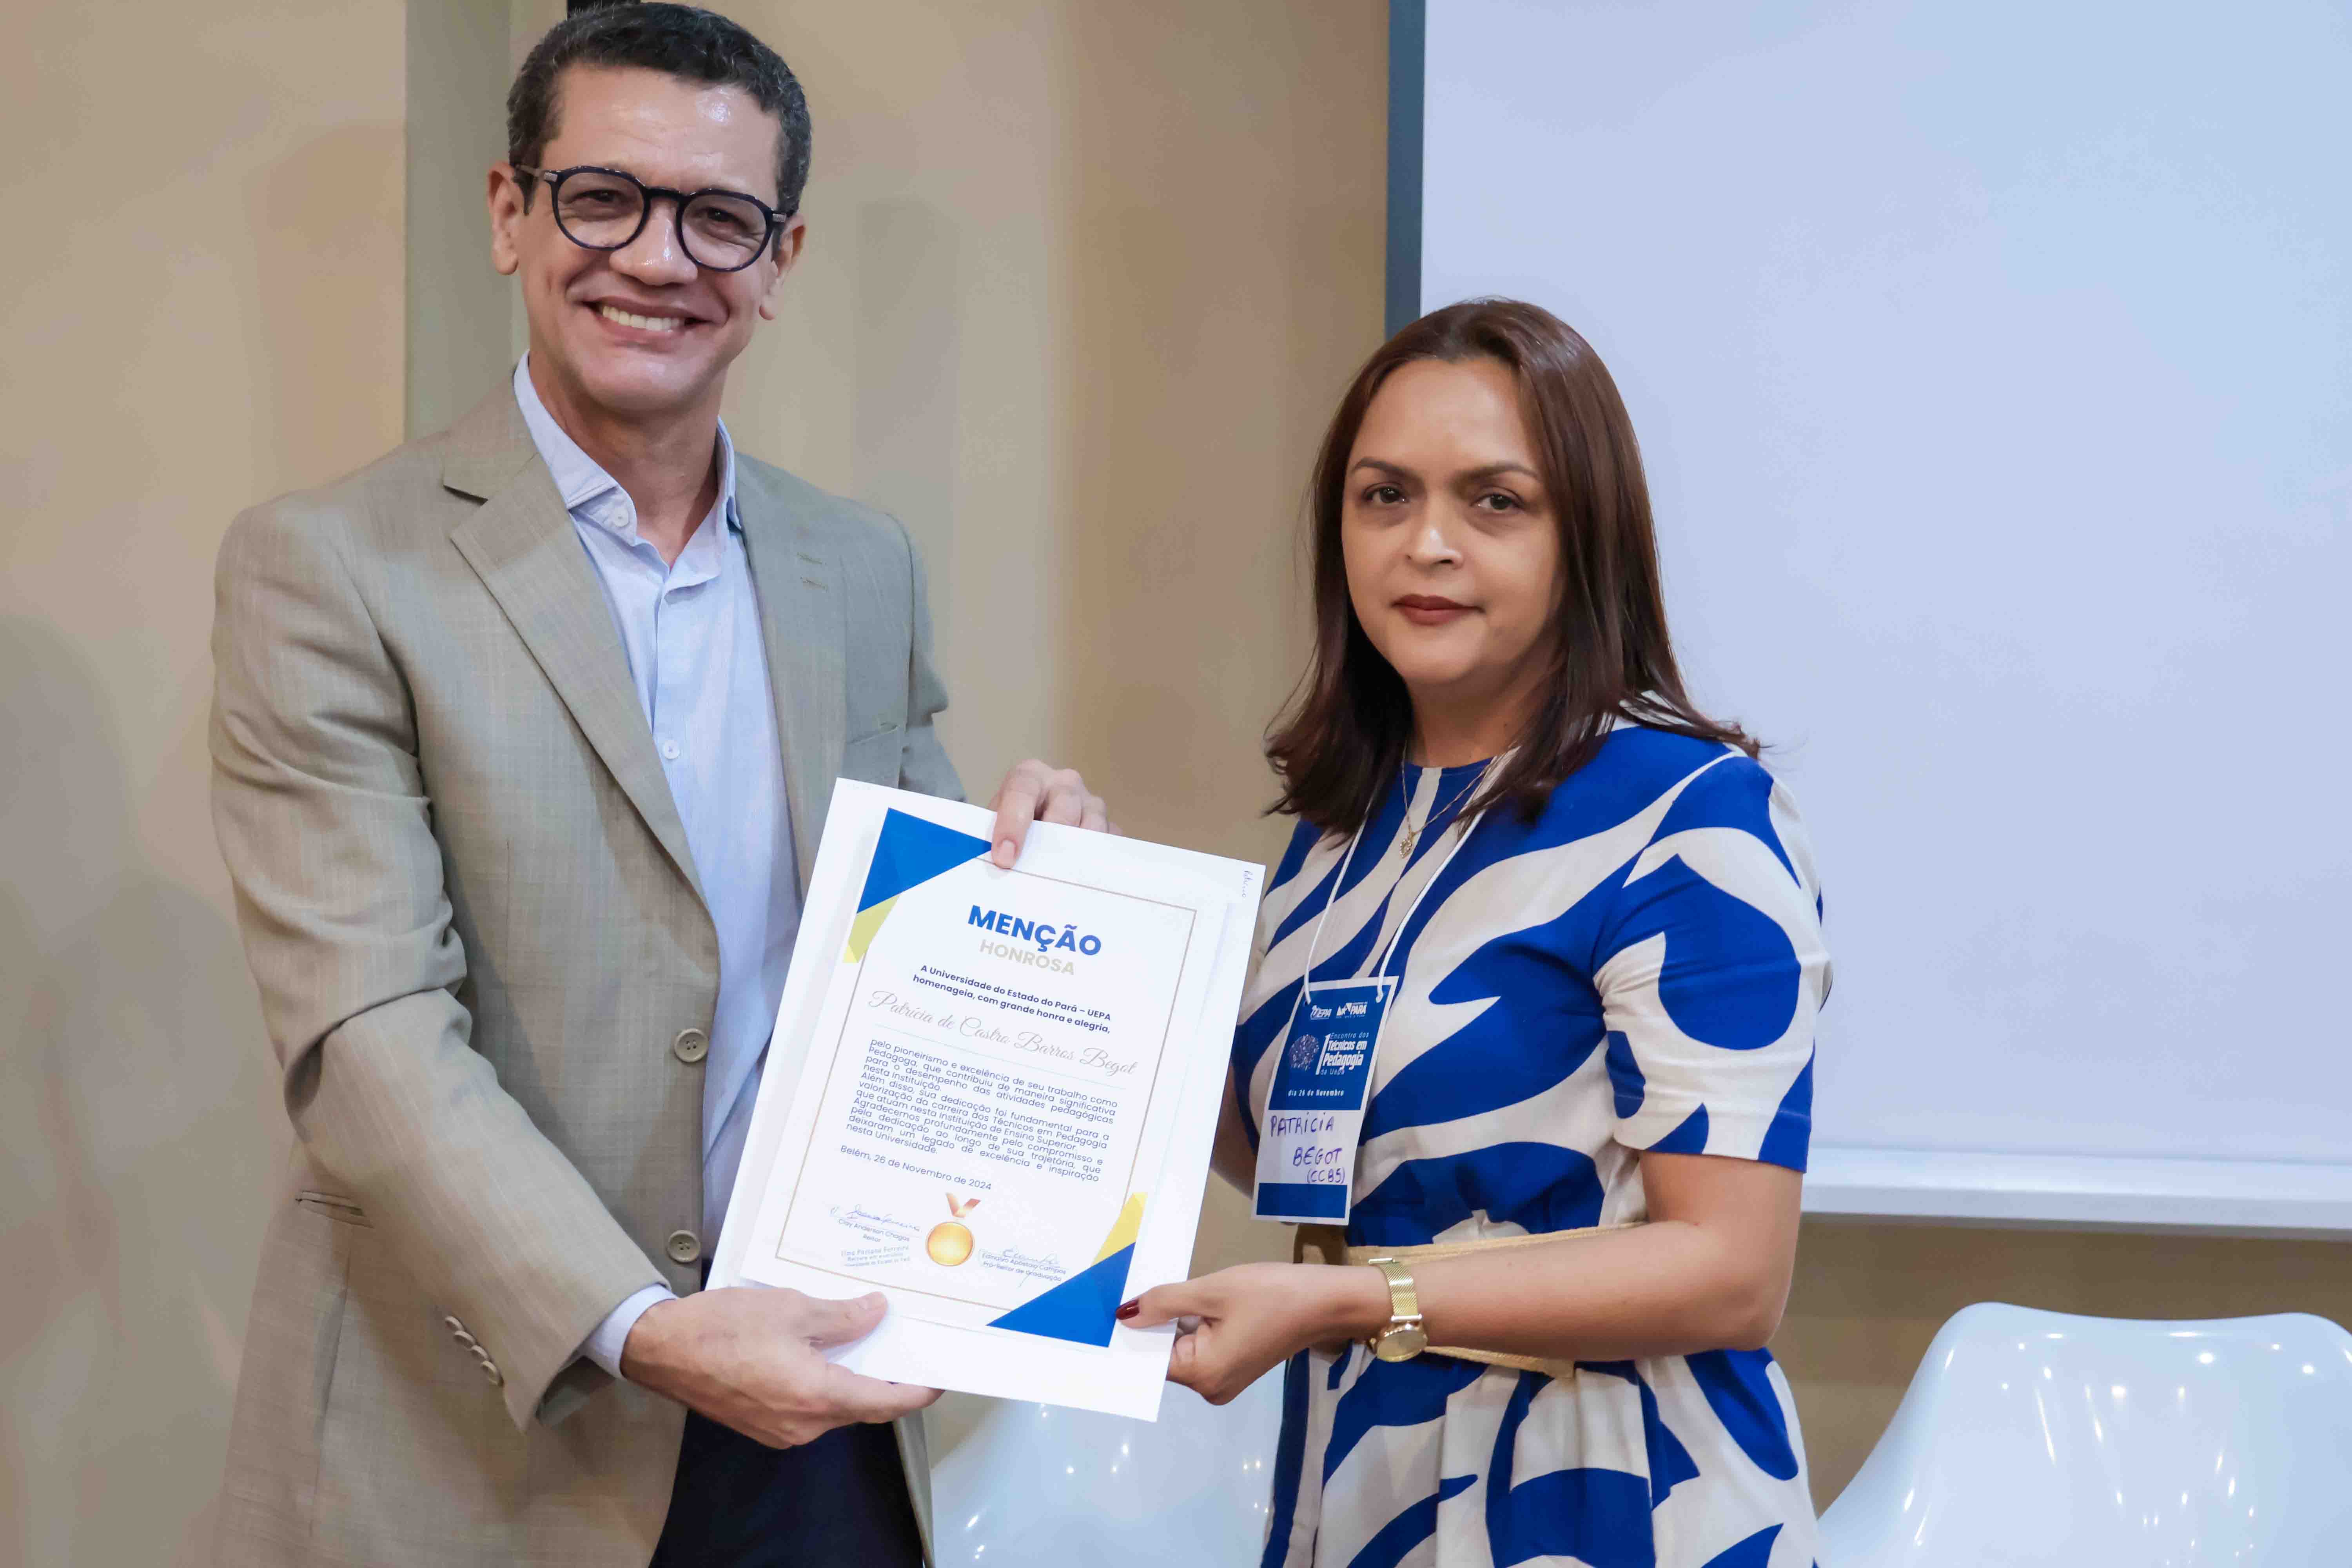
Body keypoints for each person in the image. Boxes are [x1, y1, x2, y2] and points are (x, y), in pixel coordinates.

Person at [206, 7, 1107, 1564]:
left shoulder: (859, 566)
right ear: (512, 212)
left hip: (814, 1416)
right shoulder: (333, 566)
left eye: (718, 218)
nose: (657, 258)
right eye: (603, 198)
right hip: (480, 1439)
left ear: (781, 258)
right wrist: (637, 1324)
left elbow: (909, 966)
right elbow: (366, 1031)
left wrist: (1041, 880)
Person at [1122, 299, 1831, 1567]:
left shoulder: (1690, 814)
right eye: (1383, 497)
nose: (1427, 544)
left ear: (1585, 536)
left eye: (1495, 501)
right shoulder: (1343, 830)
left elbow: (1732, 1272)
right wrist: (1061, 918)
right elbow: (1306, 1155)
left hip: (1602, 1488)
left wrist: (1350, 1299)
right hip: (1361, 1468)